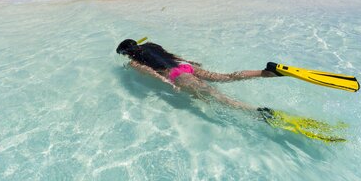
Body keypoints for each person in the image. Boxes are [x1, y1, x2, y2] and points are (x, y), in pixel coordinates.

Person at [116, 39, 278, 111]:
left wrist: (169, 83)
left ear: (126, 53)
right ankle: (267, 72)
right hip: (186, 66)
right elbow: (171, 55)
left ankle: (258, 112)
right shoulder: (151, 45)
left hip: (176, 75)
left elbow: (152, 72)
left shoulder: (134, 63)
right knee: (227, 77)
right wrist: (190, 62)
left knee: (218, 97)